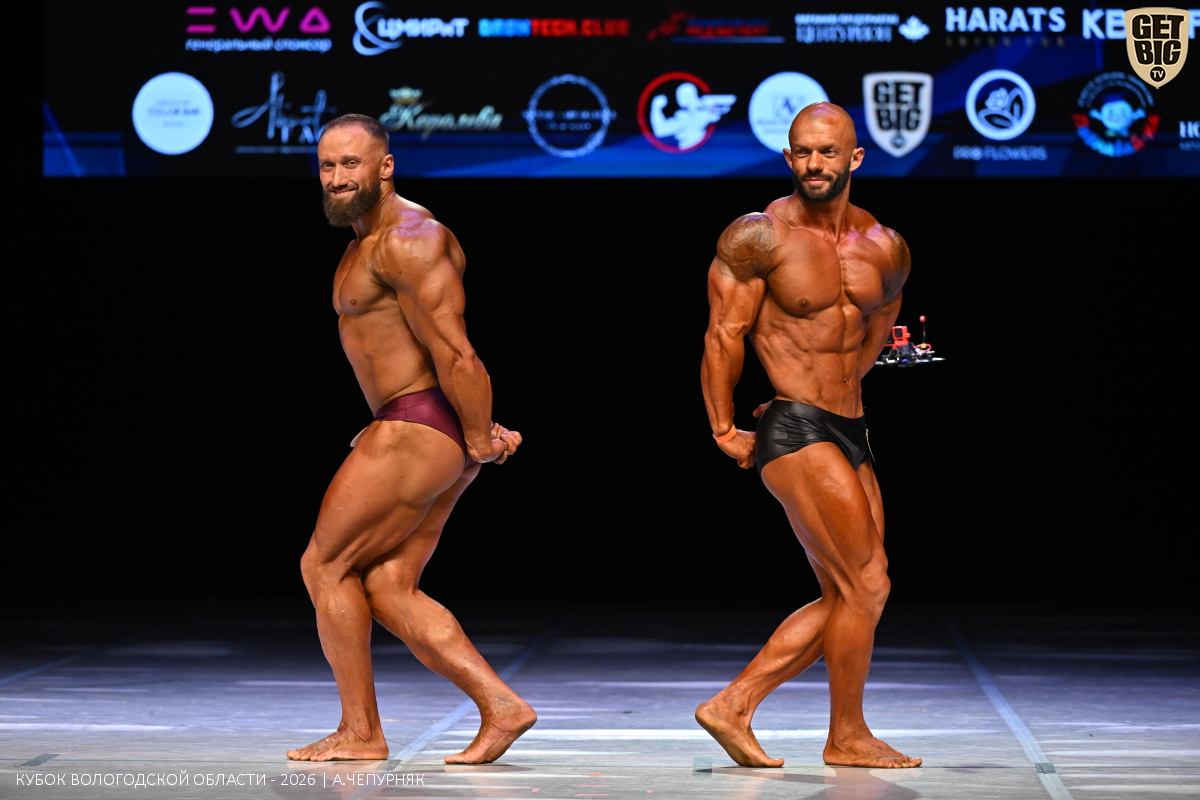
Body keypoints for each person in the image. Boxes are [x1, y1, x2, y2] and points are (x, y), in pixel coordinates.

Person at [287, 114, 533, 763]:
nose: (337, 178)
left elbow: (456, 352)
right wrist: (469, 431)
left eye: (351, 164)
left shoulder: (410, 238)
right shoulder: (364, 244)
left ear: (385, 166)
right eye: (327, 166)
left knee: (323, 566)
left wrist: (479, 437)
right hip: (425, 423)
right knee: (389, 587)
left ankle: (361, 732)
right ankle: (501, 706)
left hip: (416, 425)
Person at [696, 103, 920, 769]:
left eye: (827, 152)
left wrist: (842, 387)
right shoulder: (759, 237)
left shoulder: (886, 244)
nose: (814, 164)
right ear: (788, 157)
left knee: (857, 592)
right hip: (794, 427)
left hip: (851, 427)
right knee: (865, 582)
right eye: (802, 151)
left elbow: (877, 328)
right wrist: (723, 428)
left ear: (855, 158)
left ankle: (734, 704)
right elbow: (723, 335)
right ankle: (846, 735)